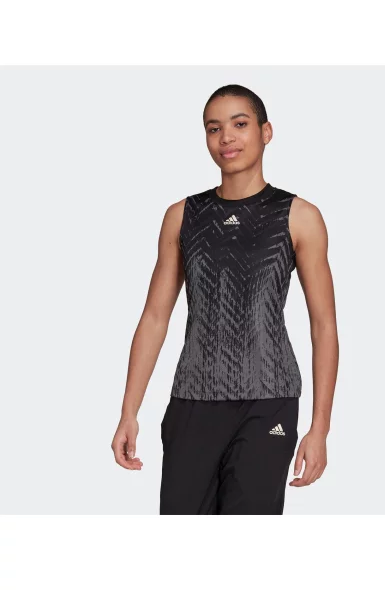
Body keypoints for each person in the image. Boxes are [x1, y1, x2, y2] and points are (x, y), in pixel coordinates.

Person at [111, 84, 339, 514]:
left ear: (266, 132)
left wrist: (320, 428)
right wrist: (129, 411)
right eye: (214, 128)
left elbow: (323, 325)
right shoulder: (182, 215)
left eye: (240, 124)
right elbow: (155, 317)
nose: (226, 137)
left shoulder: (299, 216)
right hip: (192, 401)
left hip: (269, 399)